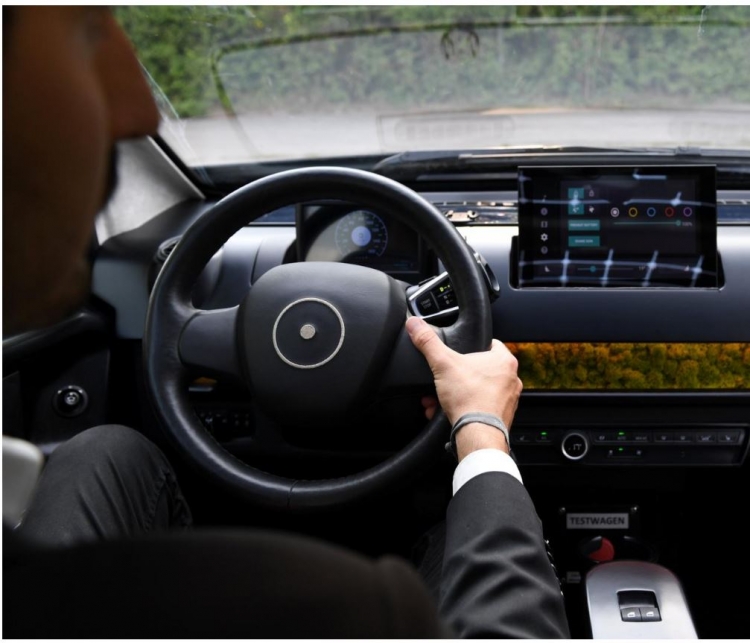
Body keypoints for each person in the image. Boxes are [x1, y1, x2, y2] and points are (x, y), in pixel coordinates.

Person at [2, 7, 569, 638]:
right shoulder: (359, 604)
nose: (139, 111)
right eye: (85, 37)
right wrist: (481, 432)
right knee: (447, 535)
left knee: (106, 450)